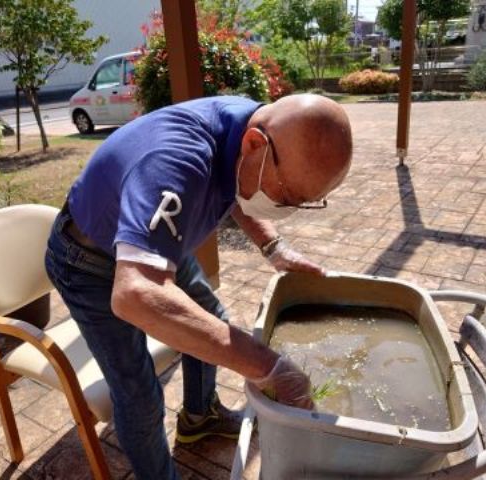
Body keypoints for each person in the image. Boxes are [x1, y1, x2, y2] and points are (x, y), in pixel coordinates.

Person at [45, 93, 353, 479]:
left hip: (157, 245)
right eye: (289, 196)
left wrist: (273, 247)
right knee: (138, 394)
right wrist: (269, 367)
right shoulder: (175, 161)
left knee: (210, 317)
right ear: (255, 144)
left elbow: (239, 181)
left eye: (305, 202)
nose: (288, 209)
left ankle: (199, 417)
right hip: (90, 261)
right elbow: (136, 294)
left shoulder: (247, 129)